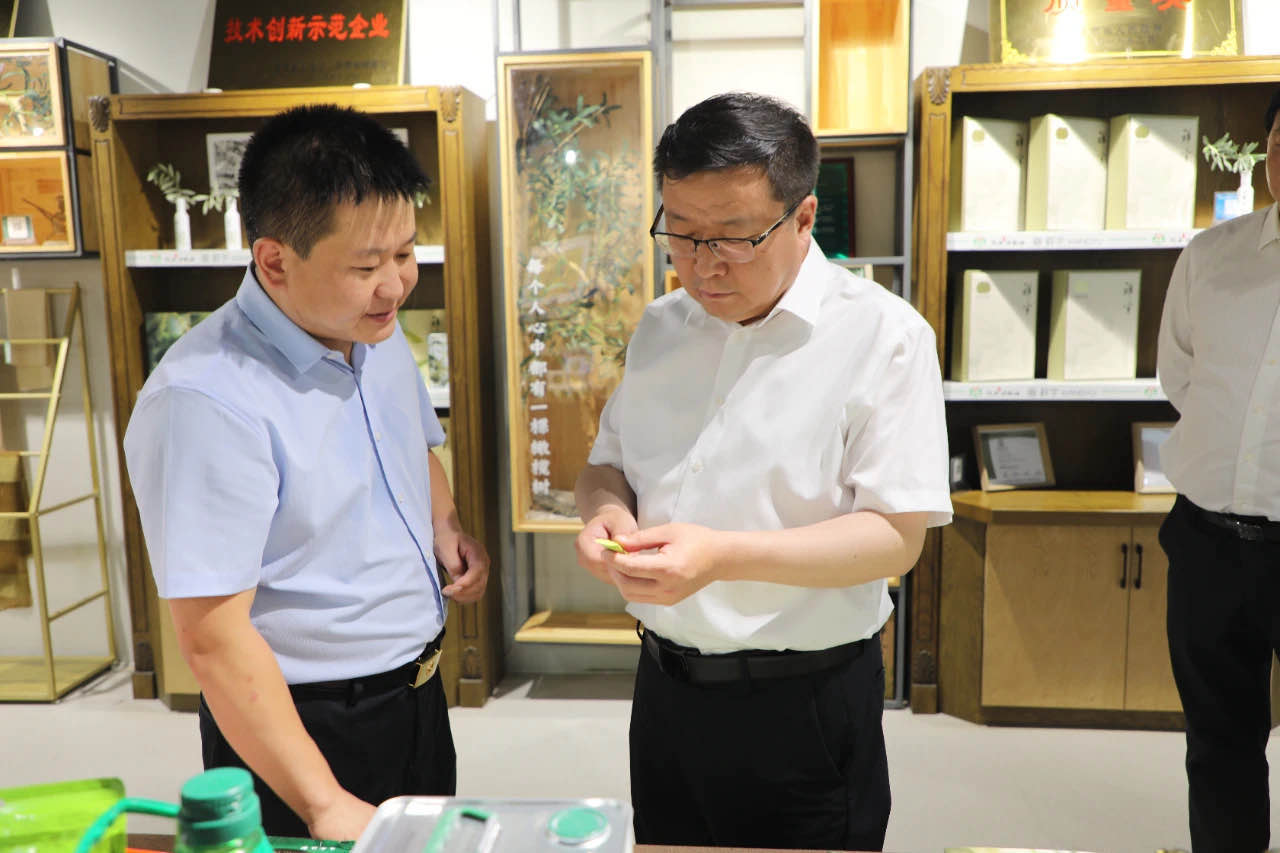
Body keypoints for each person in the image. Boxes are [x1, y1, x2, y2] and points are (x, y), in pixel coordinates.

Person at [574, 92, 952, 851]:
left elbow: (895, 537)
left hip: (803, 701)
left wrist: (721, 557)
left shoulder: (884, 336)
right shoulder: (661, 326)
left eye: (735, 238)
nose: (703, 264)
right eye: (682, 234)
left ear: (803, 217)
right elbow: (607, 464)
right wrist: (604, 515)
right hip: (664, 689)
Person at [124, 104, 489, 841]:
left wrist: (445, 525)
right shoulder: (205, 398)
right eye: (366, 265)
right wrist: (323, 802)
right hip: (303, 728)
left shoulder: (371, 332)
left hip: (416, 695)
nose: (396, 285)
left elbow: (411, 446)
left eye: (405, 252)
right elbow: (212, 638)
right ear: (274, 261)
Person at [1157, 87, 1280, 852]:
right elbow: (1180, 375)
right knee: (1218, 744)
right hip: (1207, 542)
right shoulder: (1212, 256)